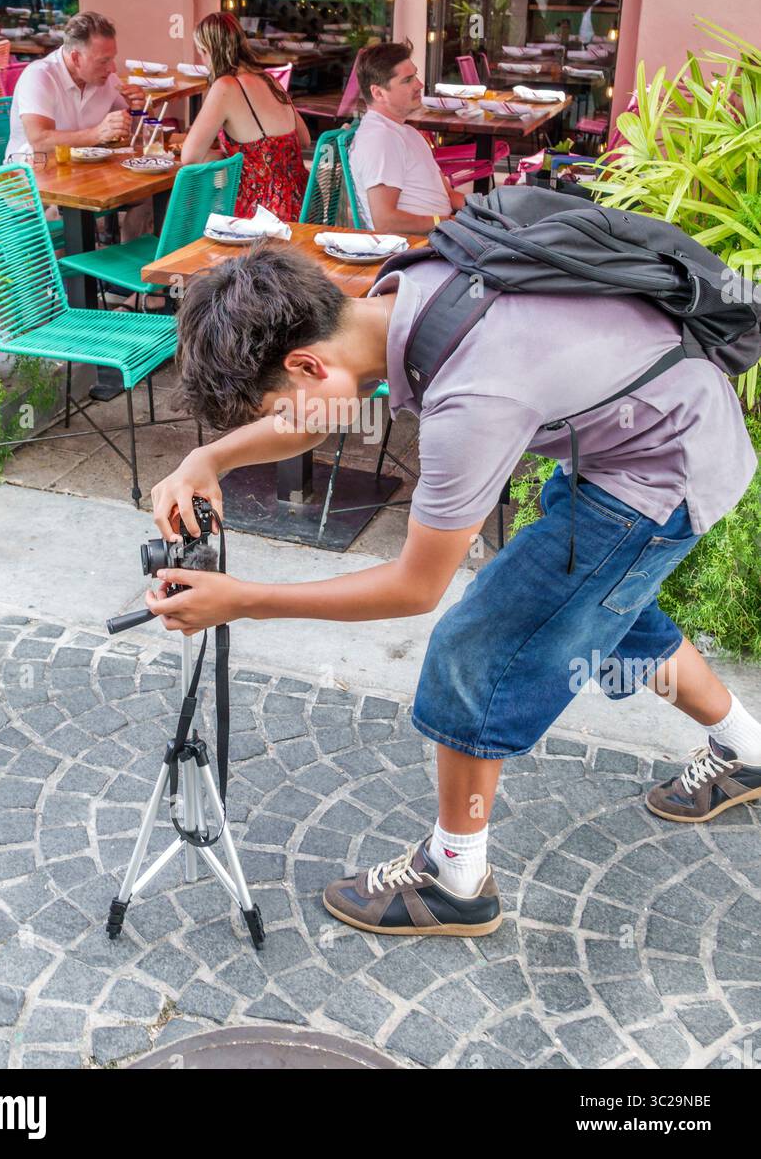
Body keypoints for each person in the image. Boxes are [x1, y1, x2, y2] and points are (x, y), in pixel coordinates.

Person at [146, 239, 759, 938]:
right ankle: (747, 748)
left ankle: (456, 877)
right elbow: (331, 406)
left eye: (277, 405)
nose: (285, 421)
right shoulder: (407, 287)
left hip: (661, 475)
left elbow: (414, 588)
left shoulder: (473, 396)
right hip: (651, 430)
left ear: (305, 363)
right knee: (607, 611)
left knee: (475, 651)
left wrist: (244, 599)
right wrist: (210, 458)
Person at [177, 12, 309, 222]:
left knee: (197, 218)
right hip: (304, 204)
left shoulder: (226, 87)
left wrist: (228, 156)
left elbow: (189, 157)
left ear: (208, 51)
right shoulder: (269, 79)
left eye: (201, 53)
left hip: (262, 214)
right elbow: (304, 138)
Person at [348, 42, 467, 234]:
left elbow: (449, 195)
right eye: (407, 80)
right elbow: (386, 222)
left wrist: (486, 211)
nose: (419, 84)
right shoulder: (380, 139)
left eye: (416, 75)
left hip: (444, 235)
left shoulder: (407, 132)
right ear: (378, 93)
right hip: (419, 248)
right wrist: (449, 223)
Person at [5, 10, 141, 160]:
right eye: (103, 61)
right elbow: (39, 142)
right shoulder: (39, 76)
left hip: (82, 171)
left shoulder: (107, 79)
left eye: (112, 59)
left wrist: (139, 109)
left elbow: (138, 137)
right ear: (76, 58)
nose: (112, 68)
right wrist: (97, 134)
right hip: (31, 175)